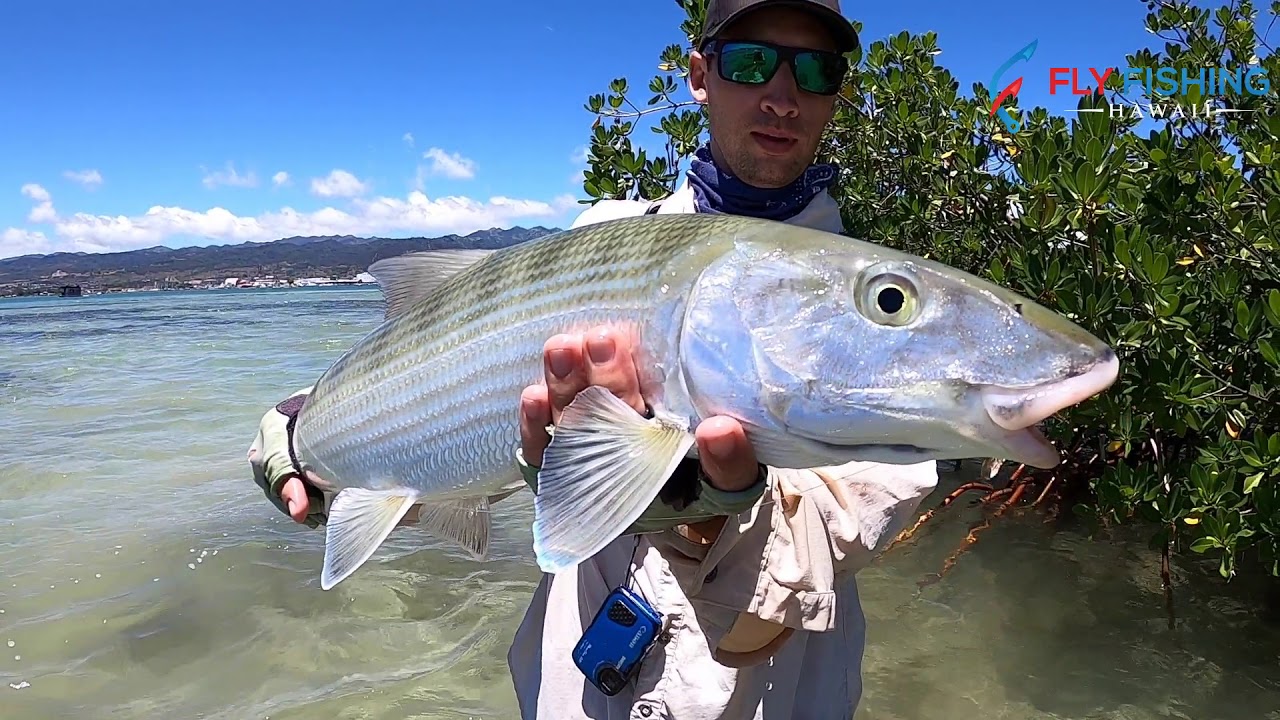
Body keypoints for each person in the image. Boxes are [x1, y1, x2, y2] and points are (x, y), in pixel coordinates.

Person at [247, 1, 939, 717]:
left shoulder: (880, 324)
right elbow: (451, 387)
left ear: (836, 93)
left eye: (817, 70)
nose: (782, 95)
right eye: (751, 61)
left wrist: (687, 508)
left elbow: (832, 533)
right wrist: (309, 429)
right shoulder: (600, 237)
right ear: (701, 76)